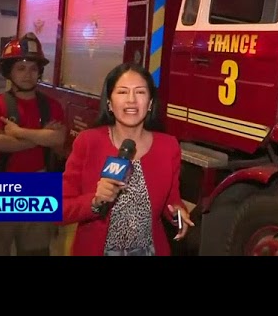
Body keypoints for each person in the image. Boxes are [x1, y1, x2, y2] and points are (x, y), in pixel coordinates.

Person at [61, 62, 193, 256]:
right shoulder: (88, 142)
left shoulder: (168, 146)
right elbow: (61, 208)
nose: (131, 100)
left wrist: (178, 215)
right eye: (122, 92)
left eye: (140, 92)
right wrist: (95, 201)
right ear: (109, 103)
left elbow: (172, 202)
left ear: (150, 103)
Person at [0, 32, 67, 256]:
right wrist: (40, 138)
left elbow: (59, 139)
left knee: (37, 251)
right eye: (20, 68)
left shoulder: (53, 106)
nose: (27, 74)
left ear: (40, 72)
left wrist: (19, 133)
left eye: (33, 68)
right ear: (9, 71)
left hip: (40, 182)